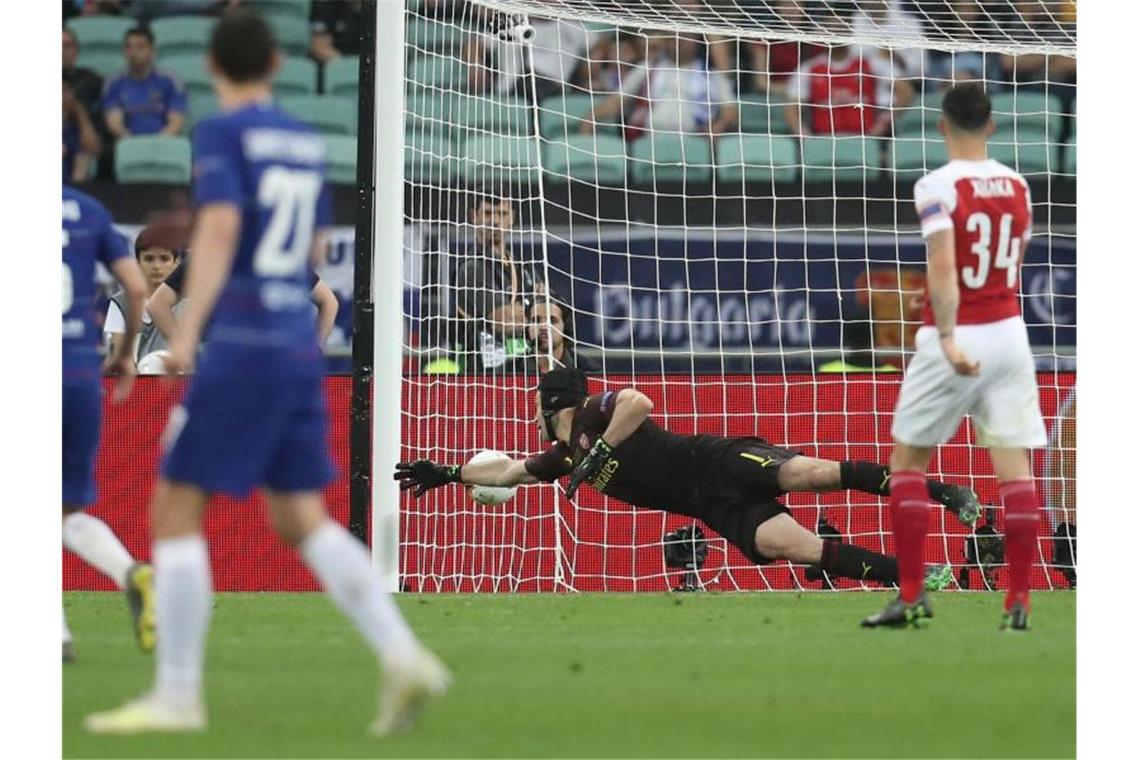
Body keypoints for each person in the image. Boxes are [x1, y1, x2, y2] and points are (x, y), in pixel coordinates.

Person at [86, 10, 447, 735]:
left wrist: (188, 328)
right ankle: (403, 653)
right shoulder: (304, 139)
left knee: (175, 509)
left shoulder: (221, 132)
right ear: (276, 68)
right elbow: (313, 241)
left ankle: (179, 695)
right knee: (299, 516)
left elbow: (217, 229)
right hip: (293, 342)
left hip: (246, 341)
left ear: (212, 65)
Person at [396, 368, 983, 590]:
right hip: (709, 504)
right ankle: (913, 575)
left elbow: (640, 401)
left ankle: (944, 492)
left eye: (537, 405)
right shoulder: (560, 459)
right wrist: (447, 472)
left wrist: (600, 447)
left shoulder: (597, 413)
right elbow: (504, 470)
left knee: (813, 474)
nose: (533, 413)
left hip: (716, 460)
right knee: (790, 545)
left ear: (554, 403)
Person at [860, 83, 1045, 631]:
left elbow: (942, 262)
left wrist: (945, 334)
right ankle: (1018, 600)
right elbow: (1012, 258)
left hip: (958, 334)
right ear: (991, 126)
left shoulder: (936, 185)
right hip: (1010, 333)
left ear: (941, 126)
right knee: (1015, 471)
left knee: (908, 465)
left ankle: (913, 595)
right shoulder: (1017, 184)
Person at [63, 184, 154, 663]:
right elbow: (137, 287)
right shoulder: (90, 210)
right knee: (62, 511)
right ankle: (129, 572)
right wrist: (124, 355)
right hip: (79, 374)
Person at [147, 255, 340, 350]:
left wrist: (313, 352)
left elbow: (329, 302)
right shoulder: (207, 254)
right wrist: (184, 350)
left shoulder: (281, 255)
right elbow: (157, 305)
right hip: (220, 364)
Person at [784, 5, 914, 137]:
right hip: (824, 142)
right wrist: (807, 137)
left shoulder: (871, 63)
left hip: (865, 140)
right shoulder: (809, 69)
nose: (835, 31)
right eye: (831, 27)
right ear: (822, 31)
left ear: (850, 30)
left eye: (841, 27)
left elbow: (906, 92)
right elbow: (791, 110)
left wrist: (884, 122)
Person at [586, 33, 738, 139]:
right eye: (673, 36)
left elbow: (730, 111)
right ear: (666, 41)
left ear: (696, 40)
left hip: (695, 139)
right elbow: (617, 101)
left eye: (685, 37)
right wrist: (591, 118)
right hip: (650, 140)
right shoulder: (647, 68)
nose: (679, 41)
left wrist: (719, 126)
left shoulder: (711, 74)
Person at [453, 194, 539, 372]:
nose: (495, 221)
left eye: (502, 213)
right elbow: (507, 321)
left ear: (512, 218)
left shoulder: (523, 267)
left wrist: (521, 312)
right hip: (482, 373)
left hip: (523, 369)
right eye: (488, 213)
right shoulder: (472, 267)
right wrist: (530, 307)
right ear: (473, 217)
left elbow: (548, 313)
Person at [104, 220, 184, 368]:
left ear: (177, 262)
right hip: (136, 386)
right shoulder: (121, 303)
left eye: (164, 258)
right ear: (137, 262)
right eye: (149, 259)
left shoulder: (188, 303)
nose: (157, 266)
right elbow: (118, 354)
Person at [102, 27, 187, 142]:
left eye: (140, 47)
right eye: (128, 47)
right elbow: (115, 124)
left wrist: (155, 144)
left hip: (164, 144)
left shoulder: (171, 81)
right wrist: (135, 145)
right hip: (128, 144)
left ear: (152, 51)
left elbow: (176, 123)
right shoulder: (114, 83)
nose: (133, 53)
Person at [526, 296, 599, 374]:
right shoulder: (513, 368)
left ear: (566, 327)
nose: (543, 327)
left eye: (552, 321)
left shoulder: (590, 371)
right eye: (536, 320)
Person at [63, 78, 102, 184]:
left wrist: (80, 113)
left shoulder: (75, 126)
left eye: (64, 91)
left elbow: (94, 149)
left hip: (73, 183)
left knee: (83, 160)